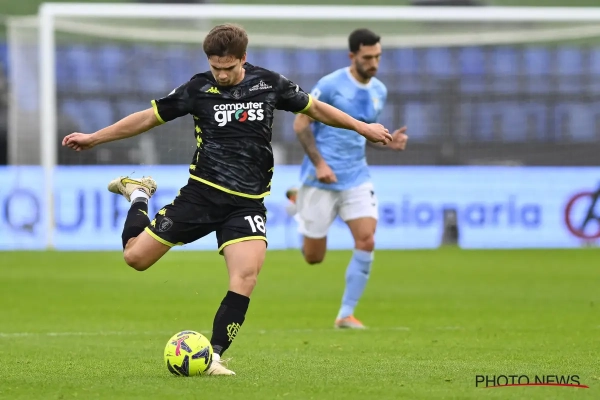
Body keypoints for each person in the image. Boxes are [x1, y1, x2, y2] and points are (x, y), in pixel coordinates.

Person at [62, 24, 393, 376]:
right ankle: (139, 192)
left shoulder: (269, 84)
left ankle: (214, 356)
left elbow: (317, 109)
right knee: (135, 258)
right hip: (202, 195)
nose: (221, 75)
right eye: (215, 67)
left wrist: (363, 127)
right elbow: (148, 118)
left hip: (248, 203)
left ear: (243, 58)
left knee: (246, 277)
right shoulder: (197, 88)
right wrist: (94, 138)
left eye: (228, 67)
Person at [286, 29, 408, 330]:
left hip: (356, 176)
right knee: (314, 257)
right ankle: (299, 203)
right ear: (352, 56)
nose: (374, 63)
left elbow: (362, 131)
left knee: (367, 239)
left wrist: (388, 141)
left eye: (378, 57)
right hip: (321, 178)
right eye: (368, 57)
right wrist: (320, 164)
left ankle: (345, 314)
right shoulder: (330, 85)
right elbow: (300, 124)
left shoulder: (379, 90)